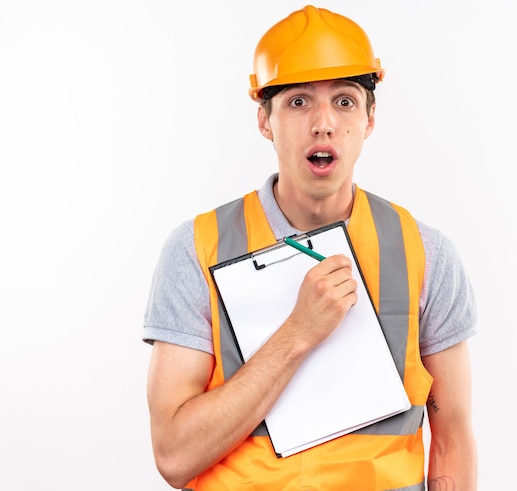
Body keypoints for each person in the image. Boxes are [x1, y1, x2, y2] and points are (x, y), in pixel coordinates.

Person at [144, 5, 478, 490]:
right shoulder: (198, 249)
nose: (324, 123)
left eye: (344, 101)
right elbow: (174, 456)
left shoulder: (425, 253)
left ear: (370, 119)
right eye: (299, 102)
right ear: (265, 120)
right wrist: (298, 333)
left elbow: (453, 436)